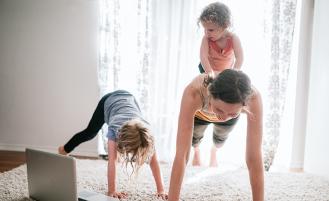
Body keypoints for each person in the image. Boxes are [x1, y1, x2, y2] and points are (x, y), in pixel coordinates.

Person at [168, 69, 264, 201]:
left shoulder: (253, 98)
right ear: (210, 92)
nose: (223, 117)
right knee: (195, 140)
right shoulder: (194, 92)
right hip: (201, 115)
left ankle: (214, 149)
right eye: (219, 109)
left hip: (228, 119)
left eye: (232, 113)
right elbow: (181, 154)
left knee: (220, 140)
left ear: (243, 105)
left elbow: (254, 157)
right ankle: (197, 150)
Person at [58, 90, 167, 200]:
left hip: (129, 98)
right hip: (108, 100)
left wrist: (161, 190)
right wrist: (112, 190)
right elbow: (112, 161)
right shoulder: (114, 129)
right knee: (90, 133)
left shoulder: (147, 135)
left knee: (141, 151)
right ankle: (64, 149)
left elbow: (154, 162)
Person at [198, 2, 243, 74]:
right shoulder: (206, 38)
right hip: (206, 69)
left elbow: (239, 58)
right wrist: (210, 73)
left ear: (225, 25)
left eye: (210, 30)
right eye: (204, 29)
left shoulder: (234, 38)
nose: (206, 33)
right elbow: (203, 57)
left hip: (225, 72)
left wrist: (234, 74)